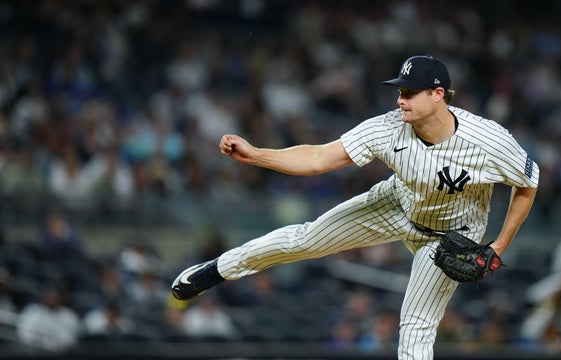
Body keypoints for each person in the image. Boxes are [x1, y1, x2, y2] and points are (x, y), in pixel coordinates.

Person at [171, 55, 539, 359]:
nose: (400, 100)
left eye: (410, 93)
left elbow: (528, 182)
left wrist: (498, 246)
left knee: (417, 325)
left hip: (450, 237)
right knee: (306, 239)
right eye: (399, 91)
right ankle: (217, 270)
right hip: (397, 203)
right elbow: (318, 157)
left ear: (438, 94)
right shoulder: (387, 128)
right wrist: (257, 155)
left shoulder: (487, 140)